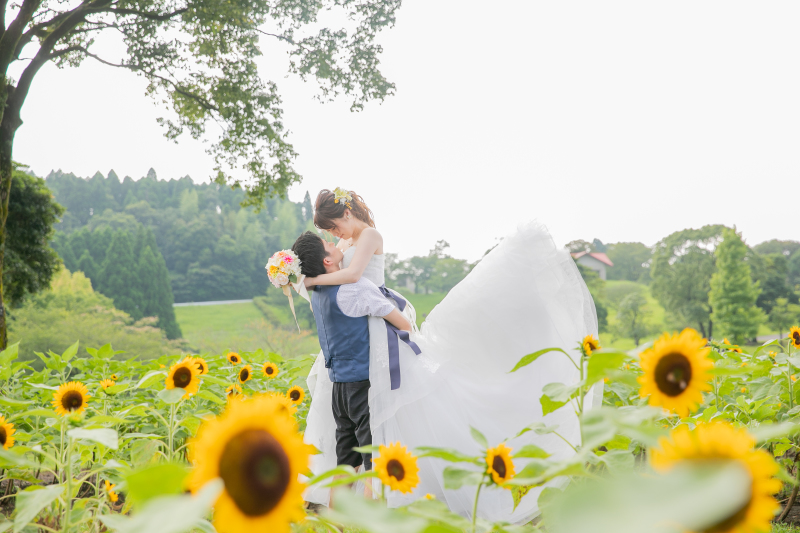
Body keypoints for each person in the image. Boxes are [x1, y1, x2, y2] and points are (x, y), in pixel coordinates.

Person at [301, 188, 599, 525]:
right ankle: (356, 503)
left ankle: (386, 497)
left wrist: (313, 279)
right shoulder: (342, 244)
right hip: (353, 329)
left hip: (377, 320)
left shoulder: (369, 235)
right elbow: (330, 265)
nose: (334, 235)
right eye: (328, 232)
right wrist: (301, 274)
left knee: (389, 407)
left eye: (334, 227)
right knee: (357, 420)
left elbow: (353, 275)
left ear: (346, 213)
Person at [291, 231, 412, 490]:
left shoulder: (317, 293)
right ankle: (368, 513)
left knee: (345, 463)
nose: (333, 241)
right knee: (373, 460)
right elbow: (405, 325)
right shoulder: (356, 289)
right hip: (363, 385)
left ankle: (335, 516)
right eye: (327, 243)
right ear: (326, 261)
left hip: (338, 387)